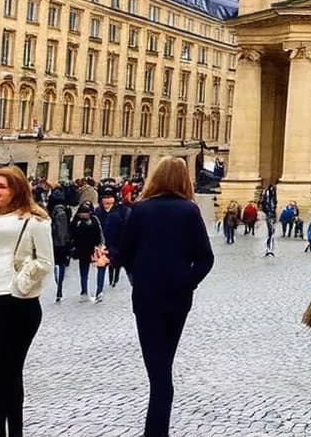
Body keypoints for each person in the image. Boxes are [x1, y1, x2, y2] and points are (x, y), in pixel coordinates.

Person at [115, 156, 215, 437]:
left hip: (146, 299)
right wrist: (186, 283)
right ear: (184, 179)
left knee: (158, 372)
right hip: (177, 301)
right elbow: (206, 258)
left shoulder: (141, 210)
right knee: (163, 369)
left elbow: (125, 253)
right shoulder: (189, 211)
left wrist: (138, 276)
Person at [0, 166, 53, 436]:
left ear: (17, 189)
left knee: (9, 370)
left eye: (1, 187)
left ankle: (15, 430)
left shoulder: (35, 221)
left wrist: (20, 283)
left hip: (17, 302)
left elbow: (45, 261)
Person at [71, 202, 106, 303]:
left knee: (87, 271)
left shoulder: (80, 221)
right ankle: (92, 291)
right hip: (88, 250)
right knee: (90, 270)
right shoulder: (89, 220)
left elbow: (72, 235)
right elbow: (100, 233)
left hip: (89, 250)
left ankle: (90, 292)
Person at [102, 194, 132, 286]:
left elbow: (107, 229)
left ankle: (111, 279)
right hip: (120, 240)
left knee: (111, 261)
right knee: (117, 262)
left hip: (112, 240)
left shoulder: (112, 214)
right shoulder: (127, 212)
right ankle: (115, 279)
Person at [50, 199, 73, 301]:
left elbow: (60, 231)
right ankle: (59, 284)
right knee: (61, 264)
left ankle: (58, 284)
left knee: (57, 264)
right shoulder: (62, 213)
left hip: (56, 244)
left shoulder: (57, 214)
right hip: (61, 244)